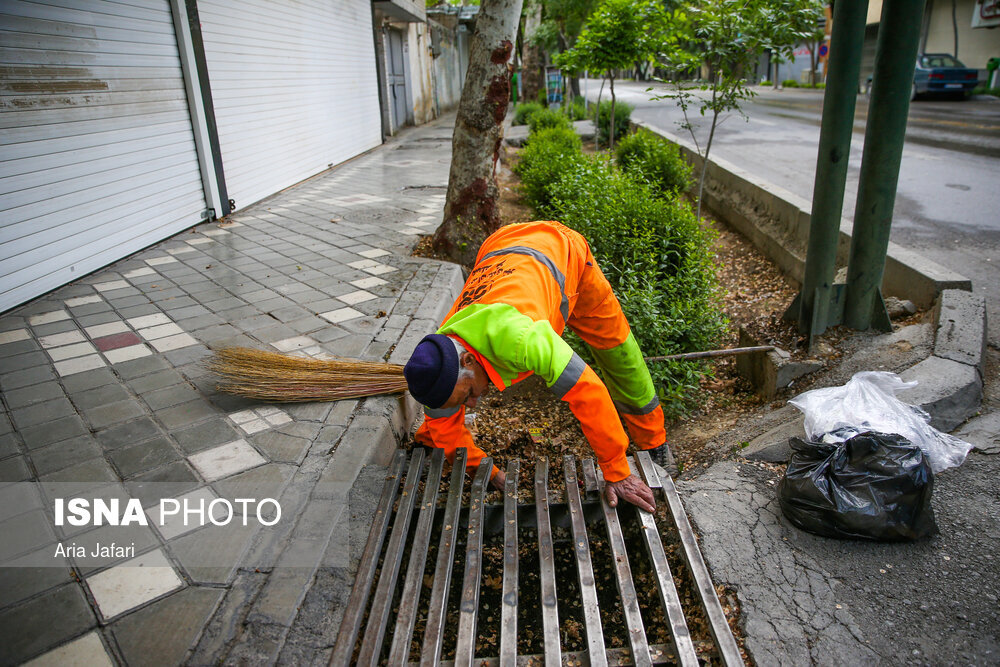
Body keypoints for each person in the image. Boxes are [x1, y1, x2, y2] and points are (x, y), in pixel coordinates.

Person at [403, 221, 676, 513]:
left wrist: (617, 471)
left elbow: (587, 391)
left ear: (467, 360)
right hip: (501, 245)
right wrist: (486, 471)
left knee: (618, 351)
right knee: (444, 420)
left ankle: (654, 443)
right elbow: (444, 422)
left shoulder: (522, 338)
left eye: (468, 394)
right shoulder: (439, 361)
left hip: (564, 251)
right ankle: (428, 440)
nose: (472, 404)